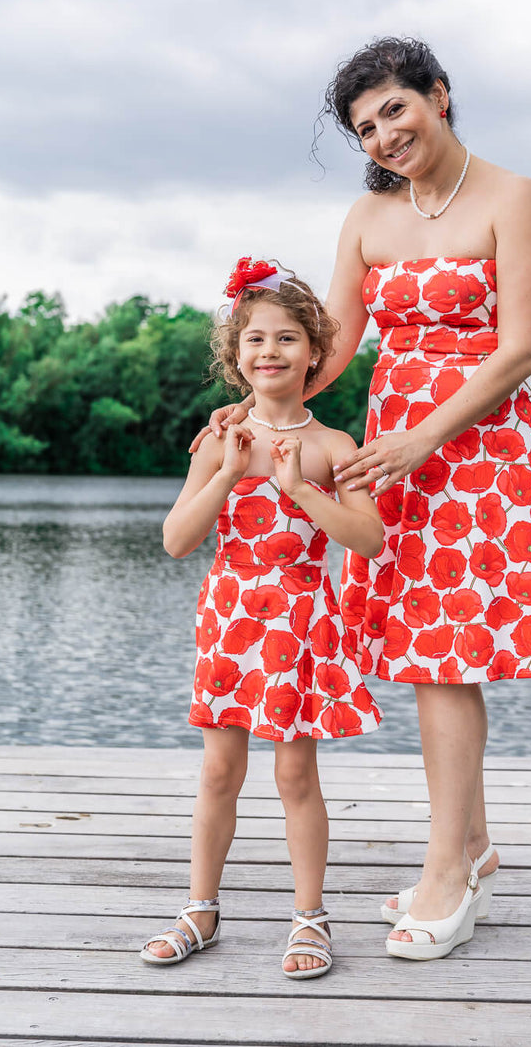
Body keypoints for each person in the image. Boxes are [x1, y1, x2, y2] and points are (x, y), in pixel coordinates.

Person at [197, 36, 531, 962]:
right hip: (387, 448)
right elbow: (333, 348)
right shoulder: (368, 216)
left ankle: (447, 869)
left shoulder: (516, 199)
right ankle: (473, 847)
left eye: (395, 110)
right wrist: (250, 418)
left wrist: (423, 438)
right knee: (416, 649)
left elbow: (519, 350)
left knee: (447, 655)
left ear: (438, 97)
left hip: (475, 446)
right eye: (366, 126)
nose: (385, 134)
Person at [140, 257, 384, 979]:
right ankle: (201, 910)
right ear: (235, 354)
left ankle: (310, 918)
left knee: (294, 776)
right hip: (231, 618)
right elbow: (177, 541)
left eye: (285, 339)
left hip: (303, 621)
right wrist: (224, 472)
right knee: (219, 773)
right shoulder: (217, 440)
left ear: (315, 352)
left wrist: (300, 488)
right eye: (254, 340)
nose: (269, 351)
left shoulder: (335, 446)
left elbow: (367, 539)